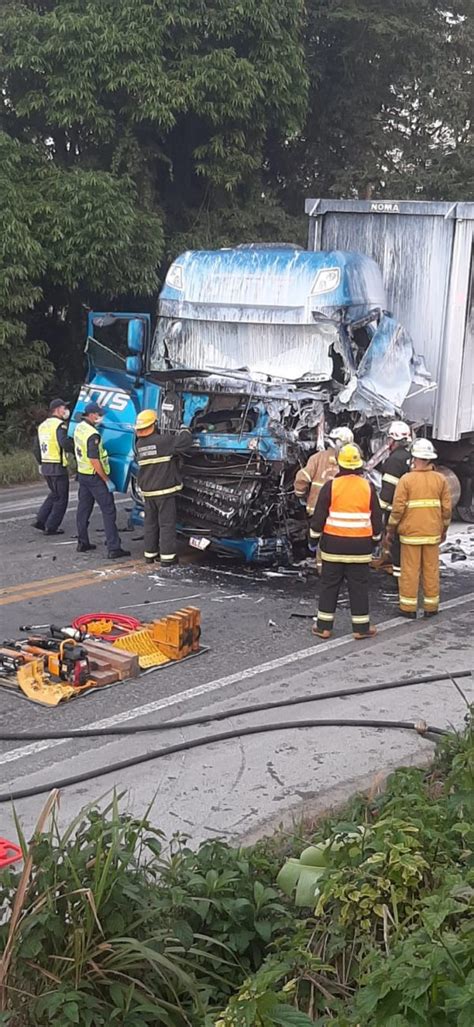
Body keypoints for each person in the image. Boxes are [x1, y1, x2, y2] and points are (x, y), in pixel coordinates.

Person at [309, 443, 382, 640]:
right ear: (359, 465)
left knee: (329, 585)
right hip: (360, 548)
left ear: (339, 465)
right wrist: (375, 541)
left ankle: (323, 627)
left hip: (333, 547)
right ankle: (361, 628)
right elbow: (376, 518)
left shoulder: (331, 486)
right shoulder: (367, 487)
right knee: (358, 587)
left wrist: (313, 540)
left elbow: (319, 517)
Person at [385, 438, 452, 619]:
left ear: (415, 458)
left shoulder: (406, 480)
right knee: (431, 569)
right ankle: (431, 606)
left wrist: (391, 529)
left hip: (411, 534)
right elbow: (447, 509)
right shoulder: (440, 480)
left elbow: (398, 509)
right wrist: (443, 529)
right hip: (432, 533)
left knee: (410, 571)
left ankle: (408, 608)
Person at [134, 409, 193, 565]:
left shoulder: (139, 445)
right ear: (154, 424)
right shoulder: (163, 441)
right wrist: (184, 428)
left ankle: (150, 555)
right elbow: (184, 442)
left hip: (148, 491)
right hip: (164, 490)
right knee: (166, 524)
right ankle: (168, 558)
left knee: (150, 523)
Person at [74, 401, 130, 558]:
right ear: (91, 415)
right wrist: (106, 480)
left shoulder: (80, 428)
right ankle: (113, 548)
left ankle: (82, 542)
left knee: (83, 509)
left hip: (83, 474)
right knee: (109, 511)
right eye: (99, 415)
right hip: (94, 476)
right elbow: (94, 459)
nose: (101, 417)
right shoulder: (93, 435)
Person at [32, 398, 74, 534]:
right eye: (64, 408)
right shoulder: (59, 425)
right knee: (62, 498)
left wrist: (40, 463)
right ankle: (51, 527)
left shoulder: (43, 425)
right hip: (57, 467)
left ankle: (41, 520)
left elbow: (36, 448)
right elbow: (64, 443)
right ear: (57, 409)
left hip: (46, 466)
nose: (66, 410)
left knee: (54, 494)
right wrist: (76, 449)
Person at [294, 426, 354, 516]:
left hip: (316, 512)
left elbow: (302, 477)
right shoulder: (352, 462)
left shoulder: (318, 457)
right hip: (340, 515)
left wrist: (301, 495)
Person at [379, 421, 412, 577]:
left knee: (396, 544)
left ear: (393, 440)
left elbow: (388, 490)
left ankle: (398, 580)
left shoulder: (394, 461)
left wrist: (379, 509)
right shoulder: (410, 457)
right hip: (411, 509)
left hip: (396, 511)